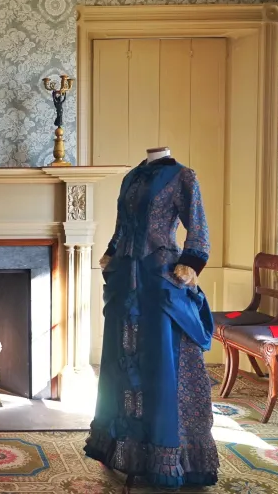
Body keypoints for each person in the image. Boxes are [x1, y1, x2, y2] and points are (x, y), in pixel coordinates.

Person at [83, 147, 219, 491]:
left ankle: (166, 454)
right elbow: (120, 227)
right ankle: (126, 449)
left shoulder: (183, 176)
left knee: (160, 367)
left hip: (159, 280)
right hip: (125, 282)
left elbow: (198, 228)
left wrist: (191, 262)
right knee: (120, 364)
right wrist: (111, 252)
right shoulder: (131, 176)